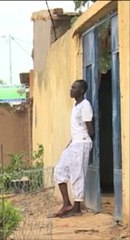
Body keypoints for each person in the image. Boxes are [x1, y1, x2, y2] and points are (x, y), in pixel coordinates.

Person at [51, 79, 94, 218]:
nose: (71, 89)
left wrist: (88, 145)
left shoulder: (85, 106)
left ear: (81, 90)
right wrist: (70, 143)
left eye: (74, 88)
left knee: (77, 174)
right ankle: (67, 204)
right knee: (59, 170)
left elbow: (90, 129)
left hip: (81, 143)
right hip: (74, 143)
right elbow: (77, 128)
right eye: (71, 87)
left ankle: (77, 208)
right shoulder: (76, 106)